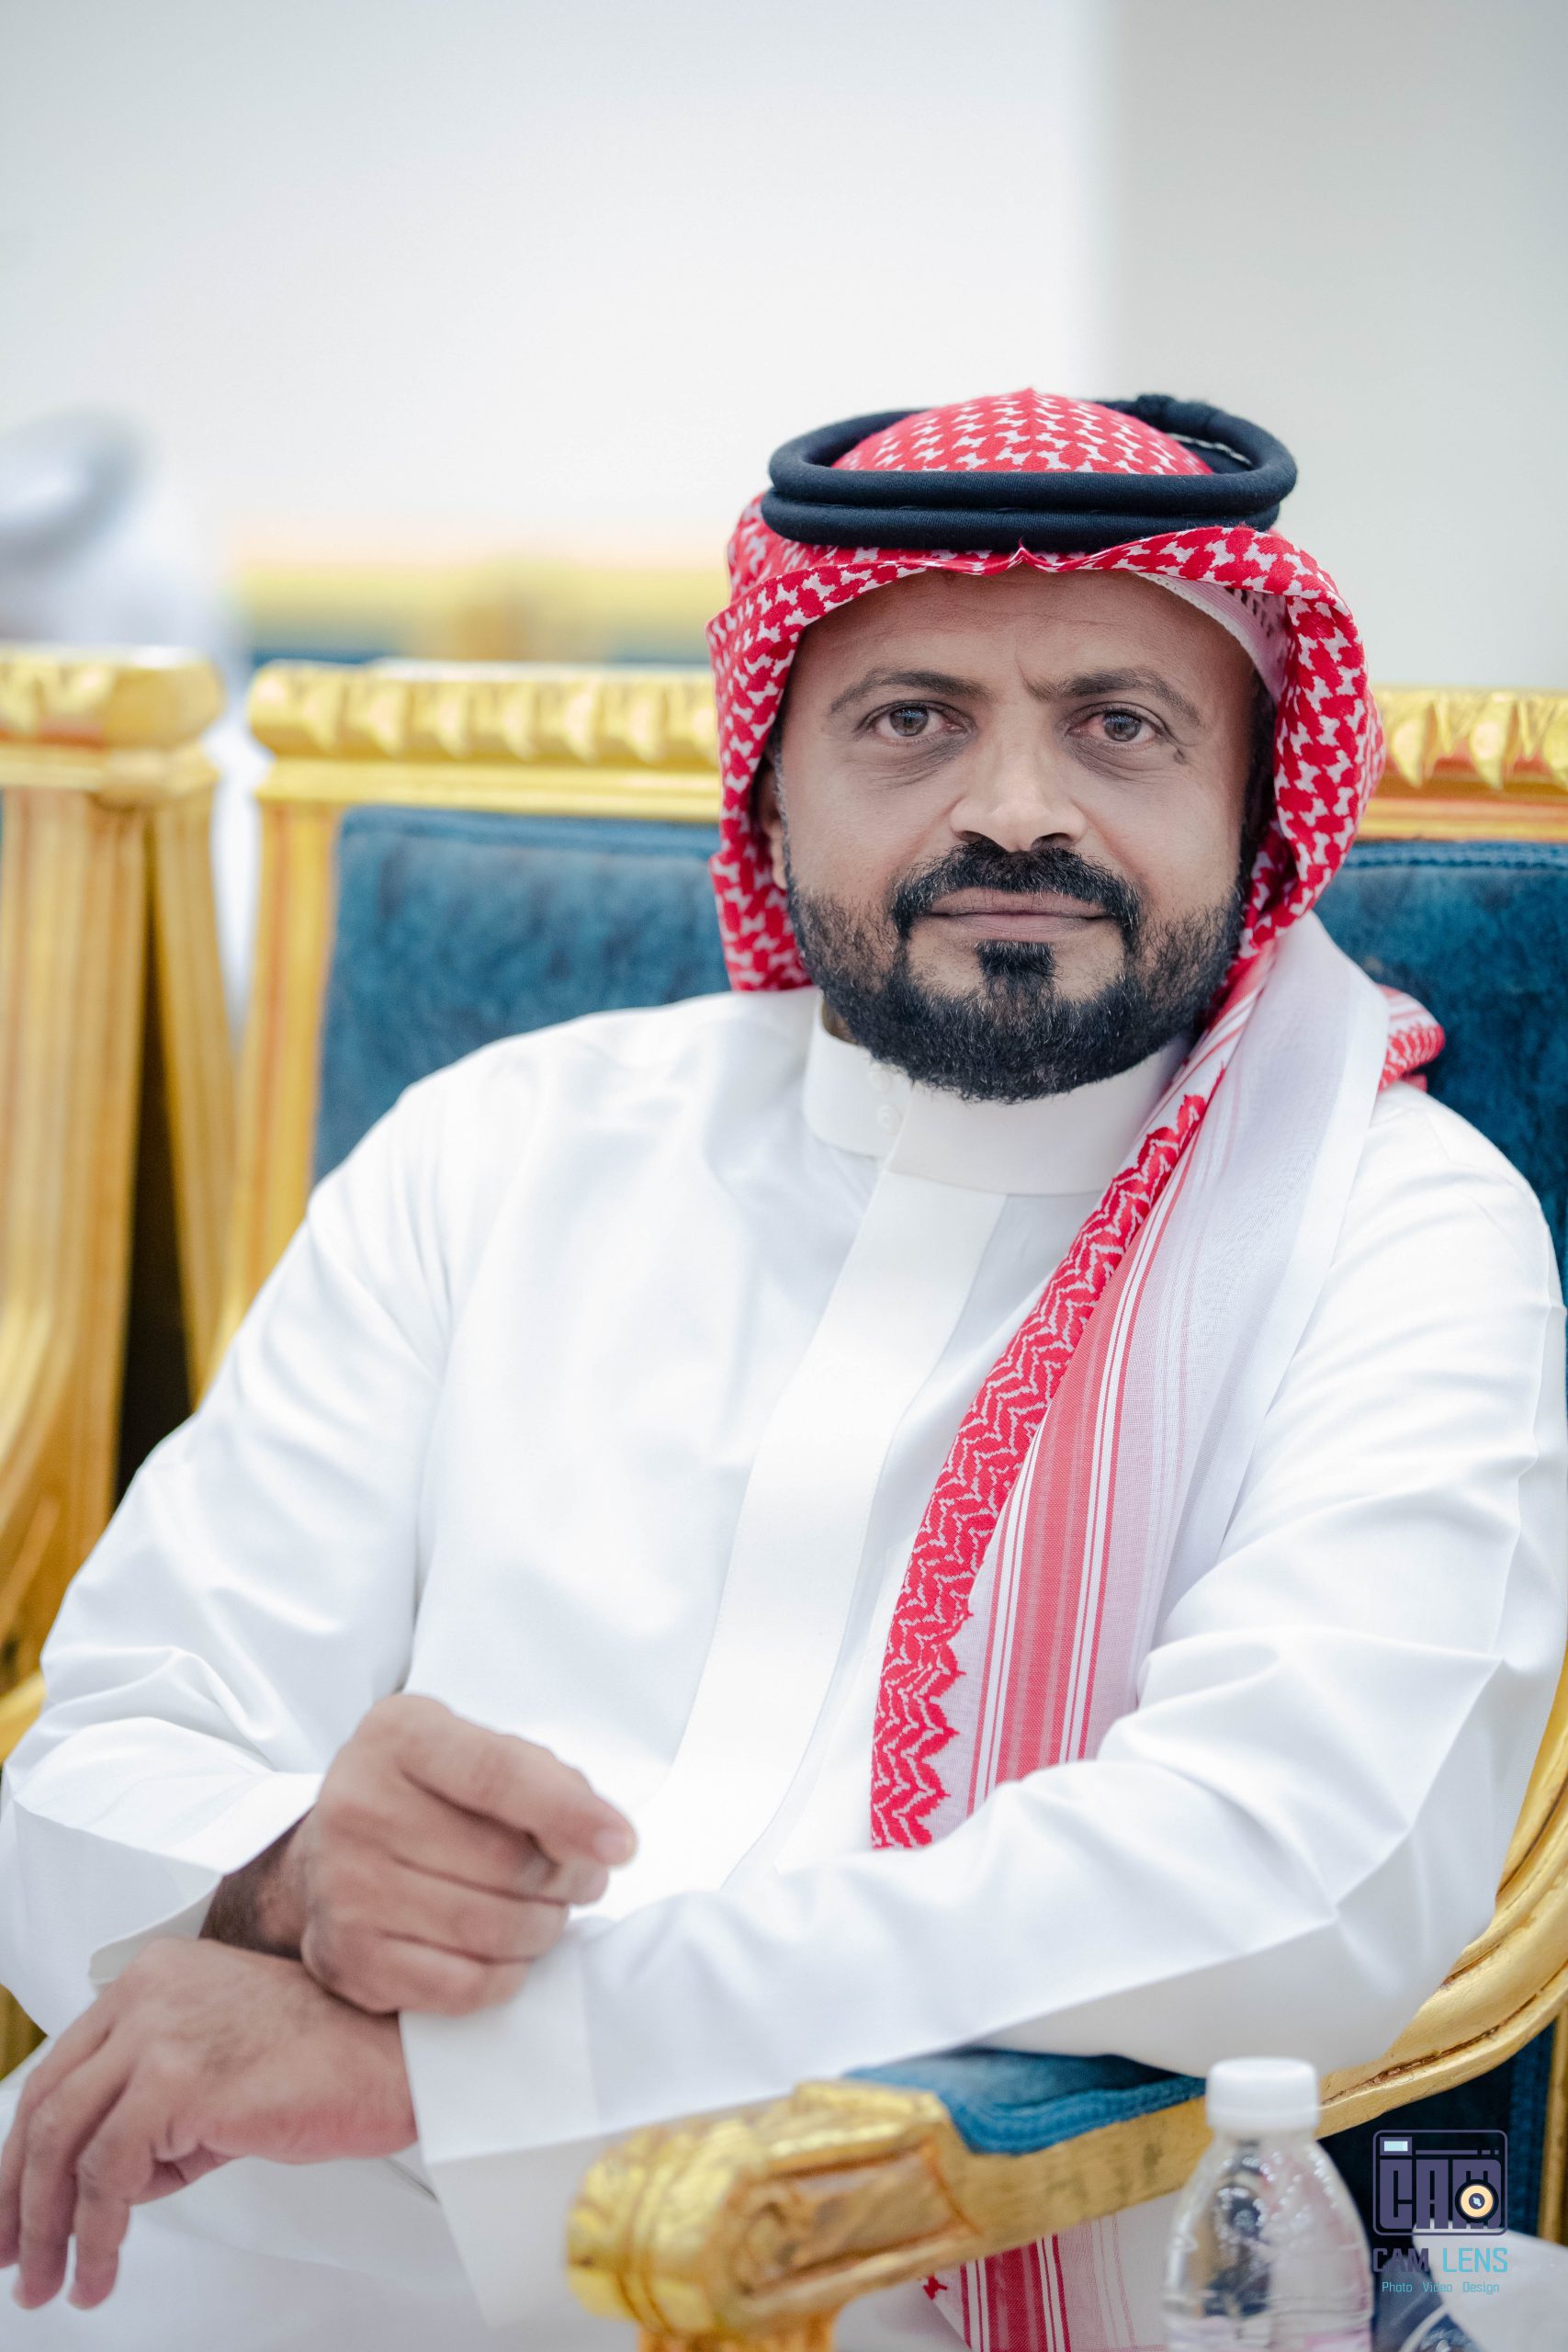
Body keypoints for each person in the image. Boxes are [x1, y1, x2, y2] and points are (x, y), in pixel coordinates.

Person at [0, 390, 1562, 2352]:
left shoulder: (1393, 1230)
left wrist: (476, 2057)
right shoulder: (502, 1148)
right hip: (226, 2239)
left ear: (1254, 809)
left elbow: (1282, 1882)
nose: (1016, 808)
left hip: (910, 2281)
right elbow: (108, 1743)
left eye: (1120, 725)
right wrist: (279, 1882)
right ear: (764, 794)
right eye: (909, 720)